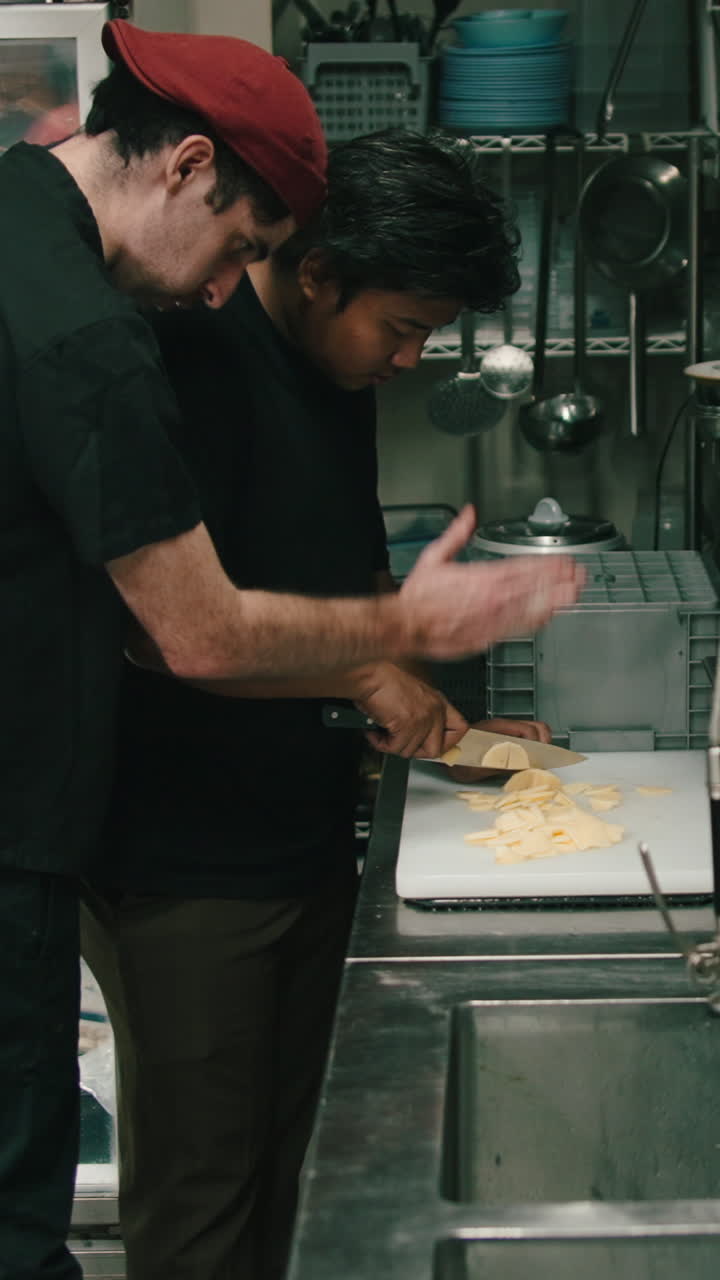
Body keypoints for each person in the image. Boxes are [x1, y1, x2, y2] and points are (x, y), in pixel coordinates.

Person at [0, 17, 579, 1274]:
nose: (412, 360)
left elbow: (327, 569)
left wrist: (436, 709)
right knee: (189, 1199)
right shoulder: (152, 342)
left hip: (288, 835)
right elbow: (178, 632)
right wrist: (389, 646)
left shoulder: (319, 370)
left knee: (289, 1172)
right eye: (404, 327)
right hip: (179, 851)